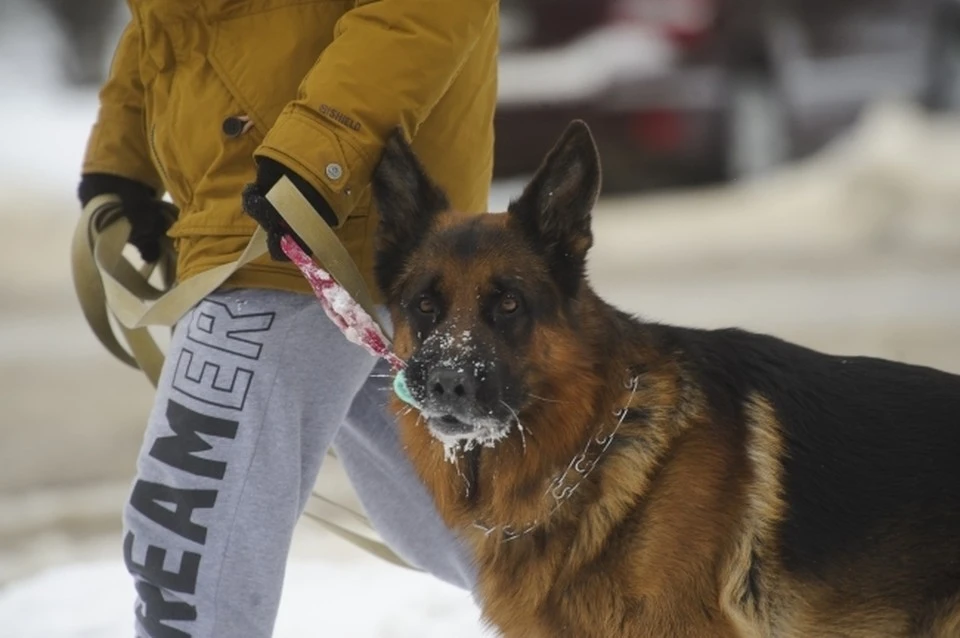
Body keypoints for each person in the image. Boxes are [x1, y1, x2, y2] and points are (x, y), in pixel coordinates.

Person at [77, 1, 499, 636]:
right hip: (277, 205)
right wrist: (124, 150)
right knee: (513, 541)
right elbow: (173, 19)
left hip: (312, 215)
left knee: (186, 548)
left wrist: (321, 153)